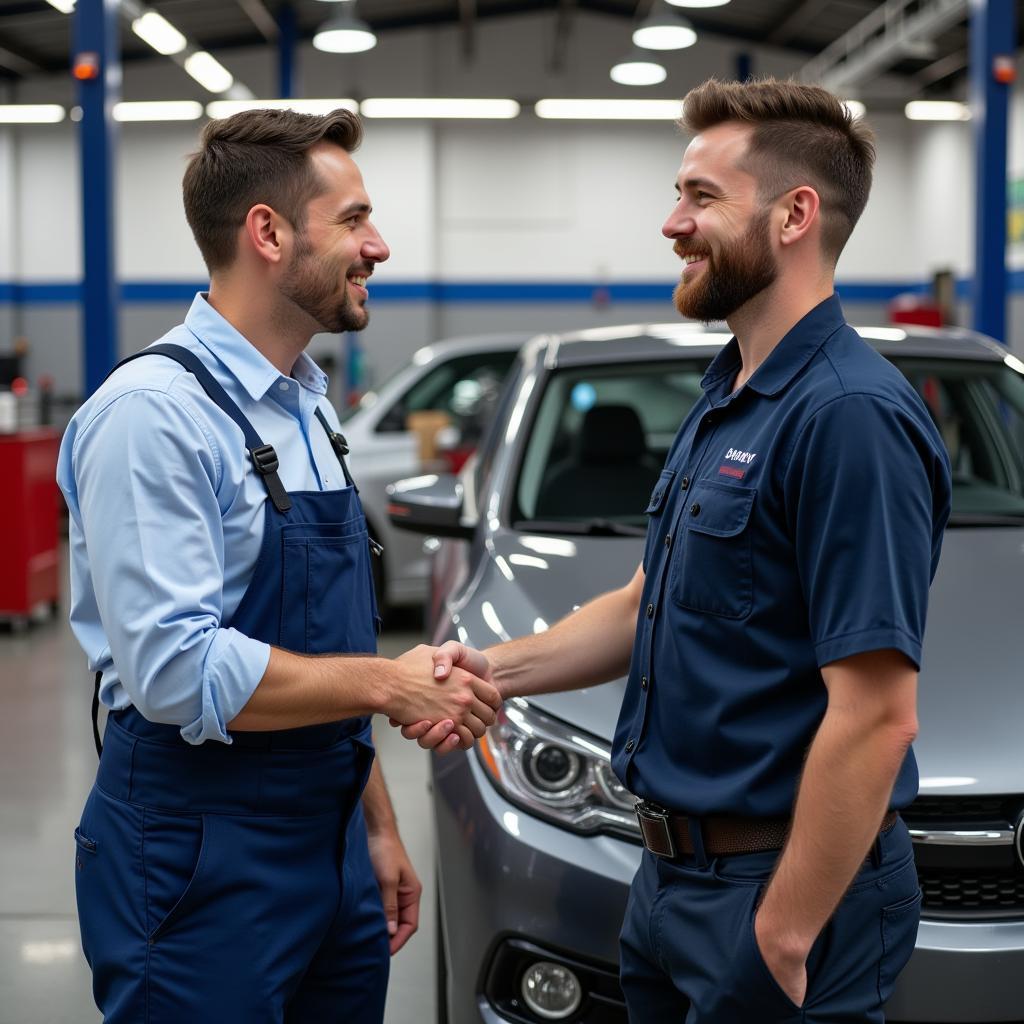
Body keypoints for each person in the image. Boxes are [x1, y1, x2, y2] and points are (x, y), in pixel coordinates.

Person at [410, 77, 953, 1022]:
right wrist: (486, 669)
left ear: (795, 215)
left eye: (701, 197)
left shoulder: (849, 417)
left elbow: (875, 717)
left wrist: (783, 933)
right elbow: (644, 603)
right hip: (667, 882)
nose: (672, 222)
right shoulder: (732, 391)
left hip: (774, 890)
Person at [58, 108, 501, 1024]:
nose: (377, 245)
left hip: (328, 840)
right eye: (353, 219)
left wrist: (374, 825)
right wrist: (391, 685)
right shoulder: (154, 416)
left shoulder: (306, 407)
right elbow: (175, 669)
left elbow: (324, 647)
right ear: (268, 232)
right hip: (199, 853)